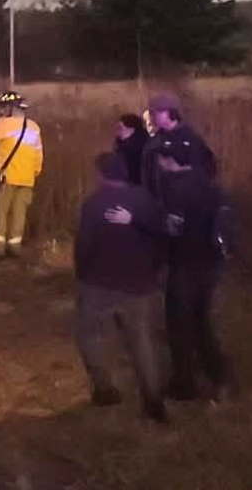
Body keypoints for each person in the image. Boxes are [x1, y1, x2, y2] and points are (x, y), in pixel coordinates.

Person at [74, 153, 168, 421]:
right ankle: (153, 401)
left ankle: (104, 389)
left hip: (100, 283)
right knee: (142, 341)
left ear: (102, 175)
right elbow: (160, 236)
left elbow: (84, 246)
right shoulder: (145, 200)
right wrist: (154, 273)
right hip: (138, 285)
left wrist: (82, 274)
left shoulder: (93, 205)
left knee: (90, 336)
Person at [151, 133, 238, 402]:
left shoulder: (174, 189)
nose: (159, 162)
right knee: (201, 322)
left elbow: (171, 230)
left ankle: (184, 384)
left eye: (162, 157)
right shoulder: (210, 185)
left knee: (178, 326)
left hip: (185, 266)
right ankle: (220, 375)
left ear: (170, 160)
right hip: (211, 266)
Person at [0, 90, 44, 258]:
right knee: (18, 214)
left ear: (9, 108)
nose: (1, 111)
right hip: (27, 179)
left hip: (5, 178)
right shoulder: (34, 127)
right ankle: (14, 247)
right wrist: (34, 173)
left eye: (3, 107)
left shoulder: (3, 124)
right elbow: (38, 156)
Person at [140, 91, 217, 200]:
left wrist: (181, 169)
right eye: (152, 113)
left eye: (157, 112)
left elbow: (208, 167)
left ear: (170, 113)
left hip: (186, 200)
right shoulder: (155, 140)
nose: (153, 116)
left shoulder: (190, 138)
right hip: (159, 200)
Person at [113, 113, 149, 185]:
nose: (117, 131)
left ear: (132, 129)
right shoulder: (122, 146)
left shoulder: (134, 149)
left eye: (120, 128)